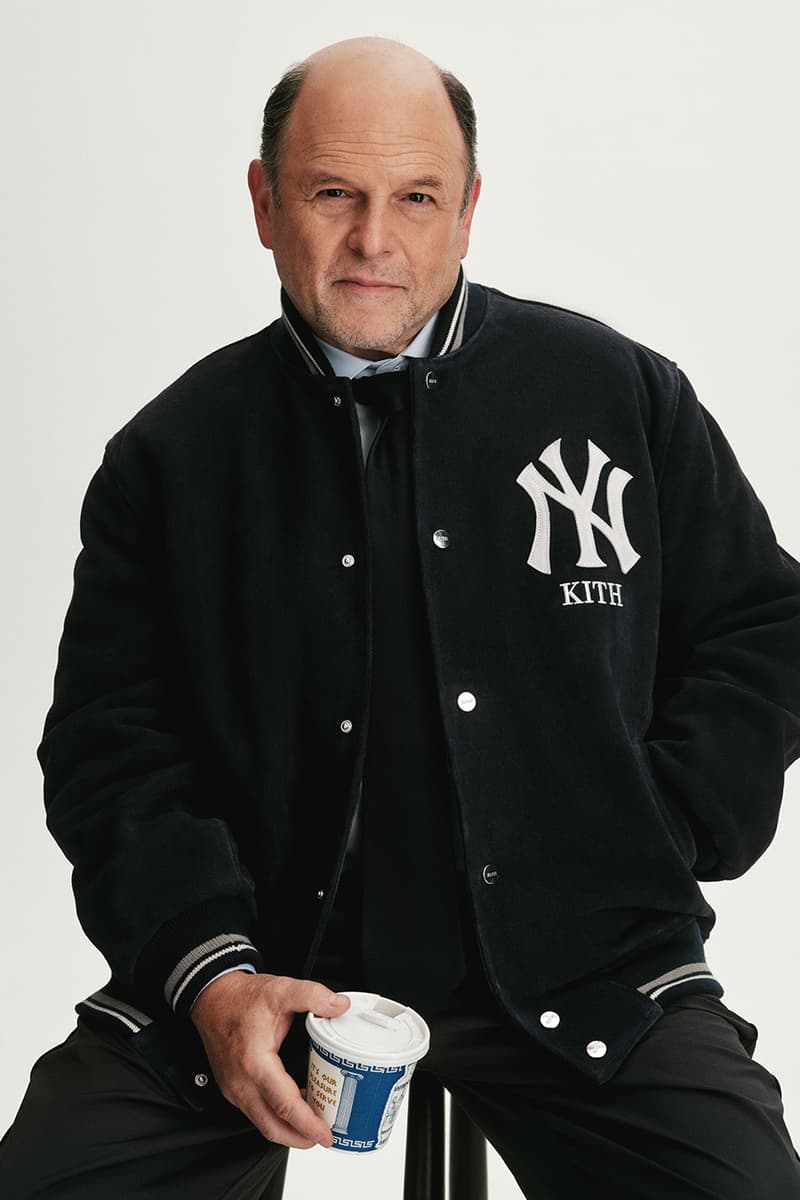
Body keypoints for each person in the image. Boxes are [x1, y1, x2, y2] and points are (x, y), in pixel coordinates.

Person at [2, 34, 800, 1200]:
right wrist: (211, 974)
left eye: (415, 197)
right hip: (261, 965)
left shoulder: (615, 393)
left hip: (584, 960)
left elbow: (759, 628)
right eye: (333, 193)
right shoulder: (172, 454)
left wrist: (662, 826)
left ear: (467, 210)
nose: (374, 239)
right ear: (264, 203)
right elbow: (108, 753)